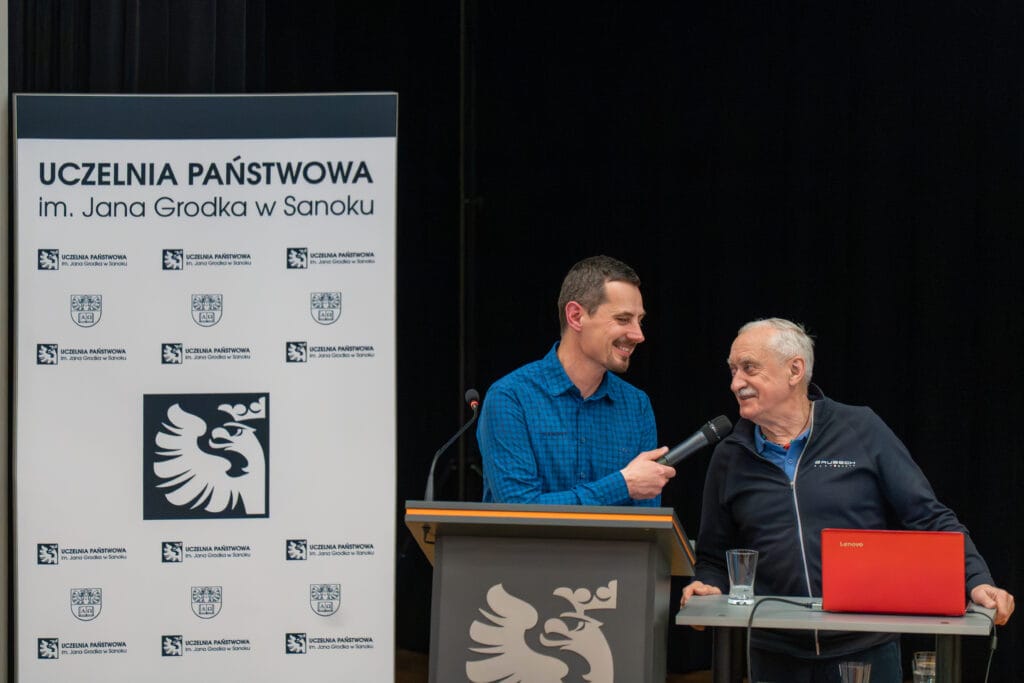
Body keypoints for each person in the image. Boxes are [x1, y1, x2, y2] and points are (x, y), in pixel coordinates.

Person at [681, 318, 1014, 682]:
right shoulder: (730, 455)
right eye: (733, 370)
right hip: (774, 653)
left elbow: (928, 516)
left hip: (865, 647)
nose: (736, 383)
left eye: (749, 368)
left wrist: (976, 578)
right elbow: (713, 555)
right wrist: (707, 584)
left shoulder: (860, 428)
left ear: (795, 370)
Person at [476, 255, 675, 506]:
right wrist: (622, 484)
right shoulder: (511, 397)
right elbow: (518, 508)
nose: (639, 335)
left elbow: (645, 520)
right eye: (623, 319)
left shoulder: (636, 405)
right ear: (575, 316)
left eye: (640, 321)